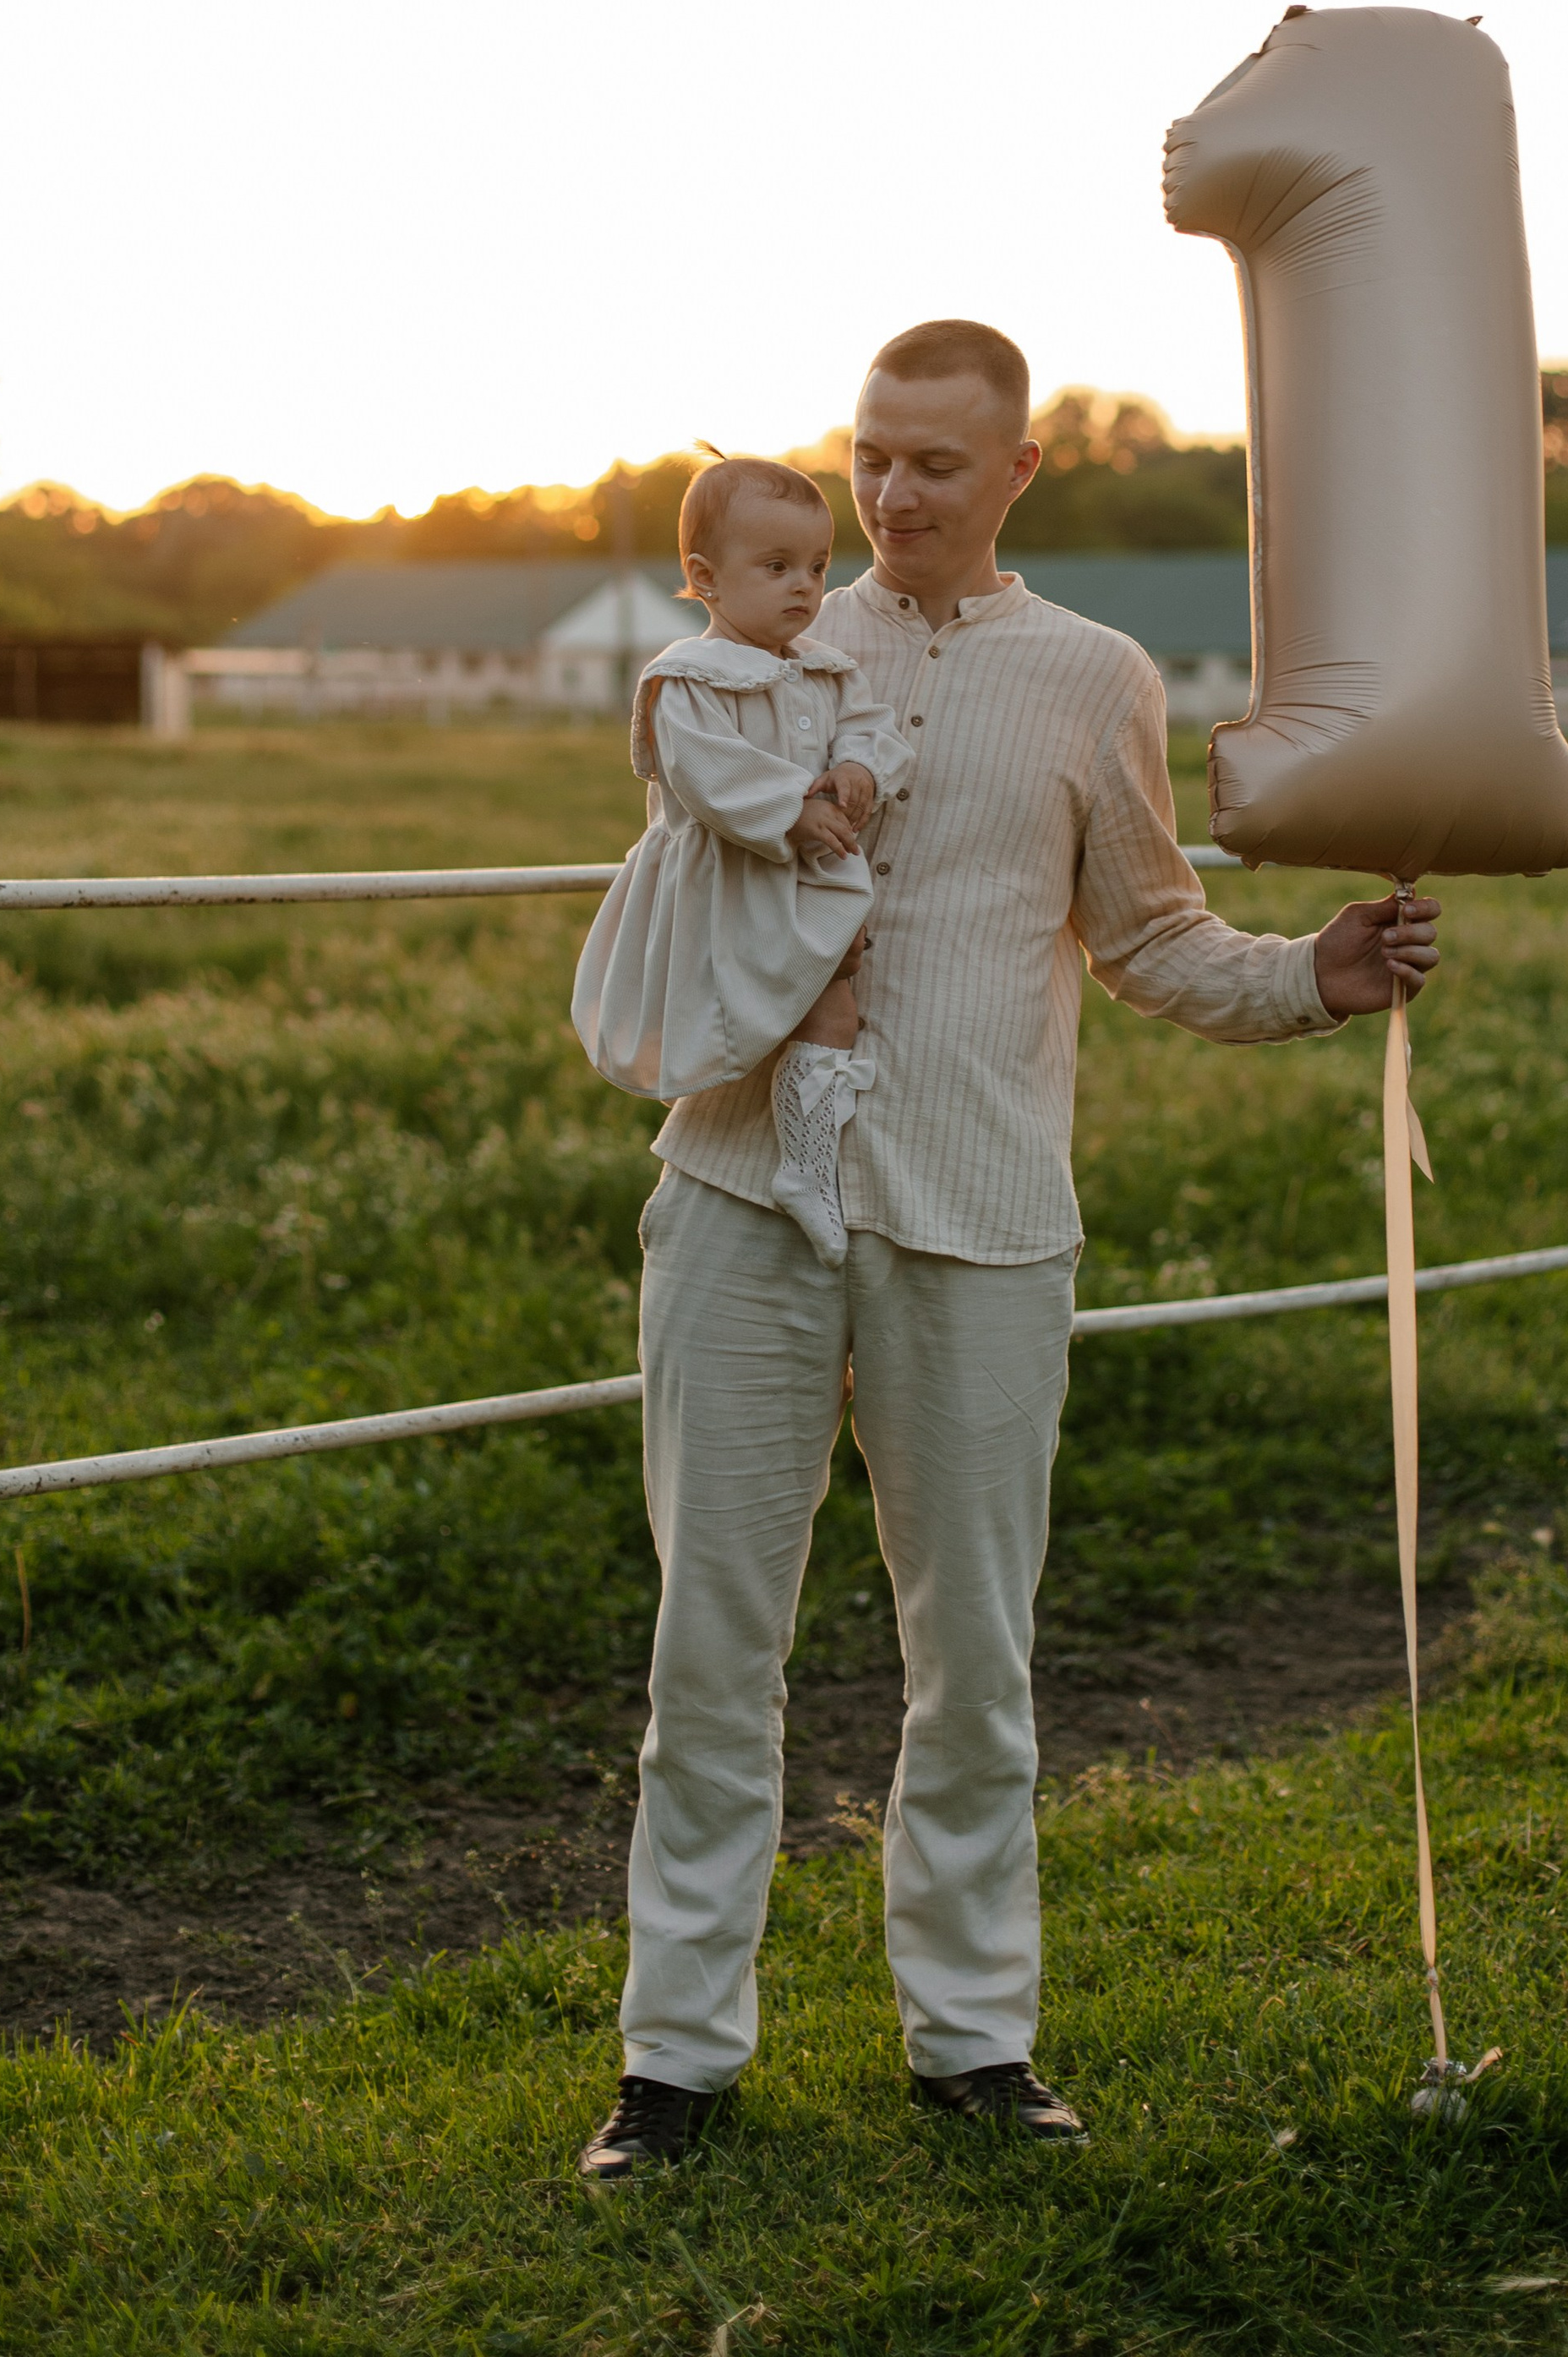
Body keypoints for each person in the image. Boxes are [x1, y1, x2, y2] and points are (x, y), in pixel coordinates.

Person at [577, 321, 1441, 2188]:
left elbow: (1146, 935)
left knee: (971, 1653)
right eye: (871, 454)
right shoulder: (768, 633)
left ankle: (970, 2040)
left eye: (934, 466)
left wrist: (1315, 974)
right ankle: (673, 2065)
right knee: (708, 1645)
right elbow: (686, 833)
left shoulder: (1089, 679)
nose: (888, 495)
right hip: (735, 1194)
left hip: (978, 1219)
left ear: (1018, 472)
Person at [572, 456, 914, 1266]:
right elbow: (707, 770)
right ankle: (745, 1129)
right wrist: (794, 807)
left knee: (836, 1005)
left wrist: (862, 770)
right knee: (747, 995)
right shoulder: (686, 679)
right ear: (705, 577)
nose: (804, 586)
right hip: (731, 879)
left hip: (804, 881)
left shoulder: (826, 669)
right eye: (776, 567)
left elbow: (872, 728)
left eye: (818, 567)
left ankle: (806, 1162)